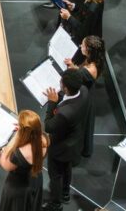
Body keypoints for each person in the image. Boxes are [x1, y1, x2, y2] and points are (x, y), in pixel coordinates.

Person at [42, 68, 92, 210]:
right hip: (75, 142)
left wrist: (52, 103)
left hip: (60, 147)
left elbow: (49, 126)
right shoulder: (83, 90)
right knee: (67, 168)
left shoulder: (65, 113)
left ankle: (56, 203)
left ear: (65, 87)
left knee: (55, 176)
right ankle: (65, 194)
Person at [0, 109, 47, 211]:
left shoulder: (19, 153)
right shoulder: (44, 139)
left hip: (19, 188)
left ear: (24, 131)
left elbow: (4, 164)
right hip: (35, 180)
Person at [64, 35, 105, 156]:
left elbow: (75, 78)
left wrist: (70, 70)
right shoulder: (95, 61)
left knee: (82, 126)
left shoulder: (89, 70)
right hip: (87, 93)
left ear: (88, 50)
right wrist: (73, 66)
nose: (80, 46)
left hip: (84, 99)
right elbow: (80, 73)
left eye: (83, 45)